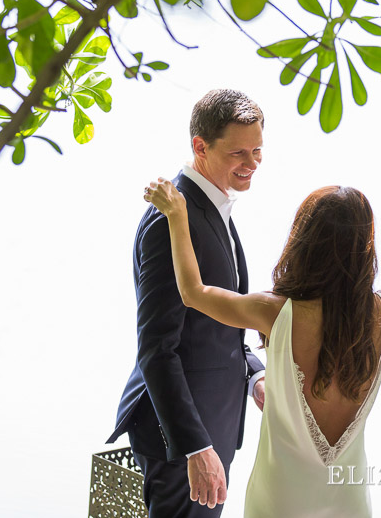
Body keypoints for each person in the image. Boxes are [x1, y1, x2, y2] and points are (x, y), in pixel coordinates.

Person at [144, 180, 381, 518]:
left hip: (281, 499)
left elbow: (192, 292)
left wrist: (177, 216)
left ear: (306, 242)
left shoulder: (276, 312)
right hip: (349, 500)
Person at [108, 89, 267, 517]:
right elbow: (157, 348)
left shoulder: (209, 206)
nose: (252, 165)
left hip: (212, 424)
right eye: (238, 153)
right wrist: (195, 446)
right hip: (180, 442)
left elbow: (216, 326)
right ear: (200, 146)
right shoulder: (170, 219)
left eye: (257, 151)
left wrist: (254, 376)